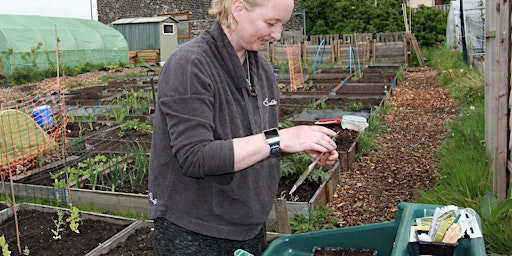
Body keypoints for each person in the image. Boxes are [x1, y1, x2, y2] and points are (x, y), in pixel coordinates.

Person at [148, 0, 339, 255]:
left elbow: (257, 142)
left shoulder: (260, 69)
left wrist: (300, 144)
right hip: (197, 232)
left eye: (282, 24)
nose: (277, 34)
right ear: (238, 9)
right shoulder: (190, 64)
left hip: (250, 226)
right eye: (271, 23)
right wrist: (278, 139)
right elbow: (196, 157)